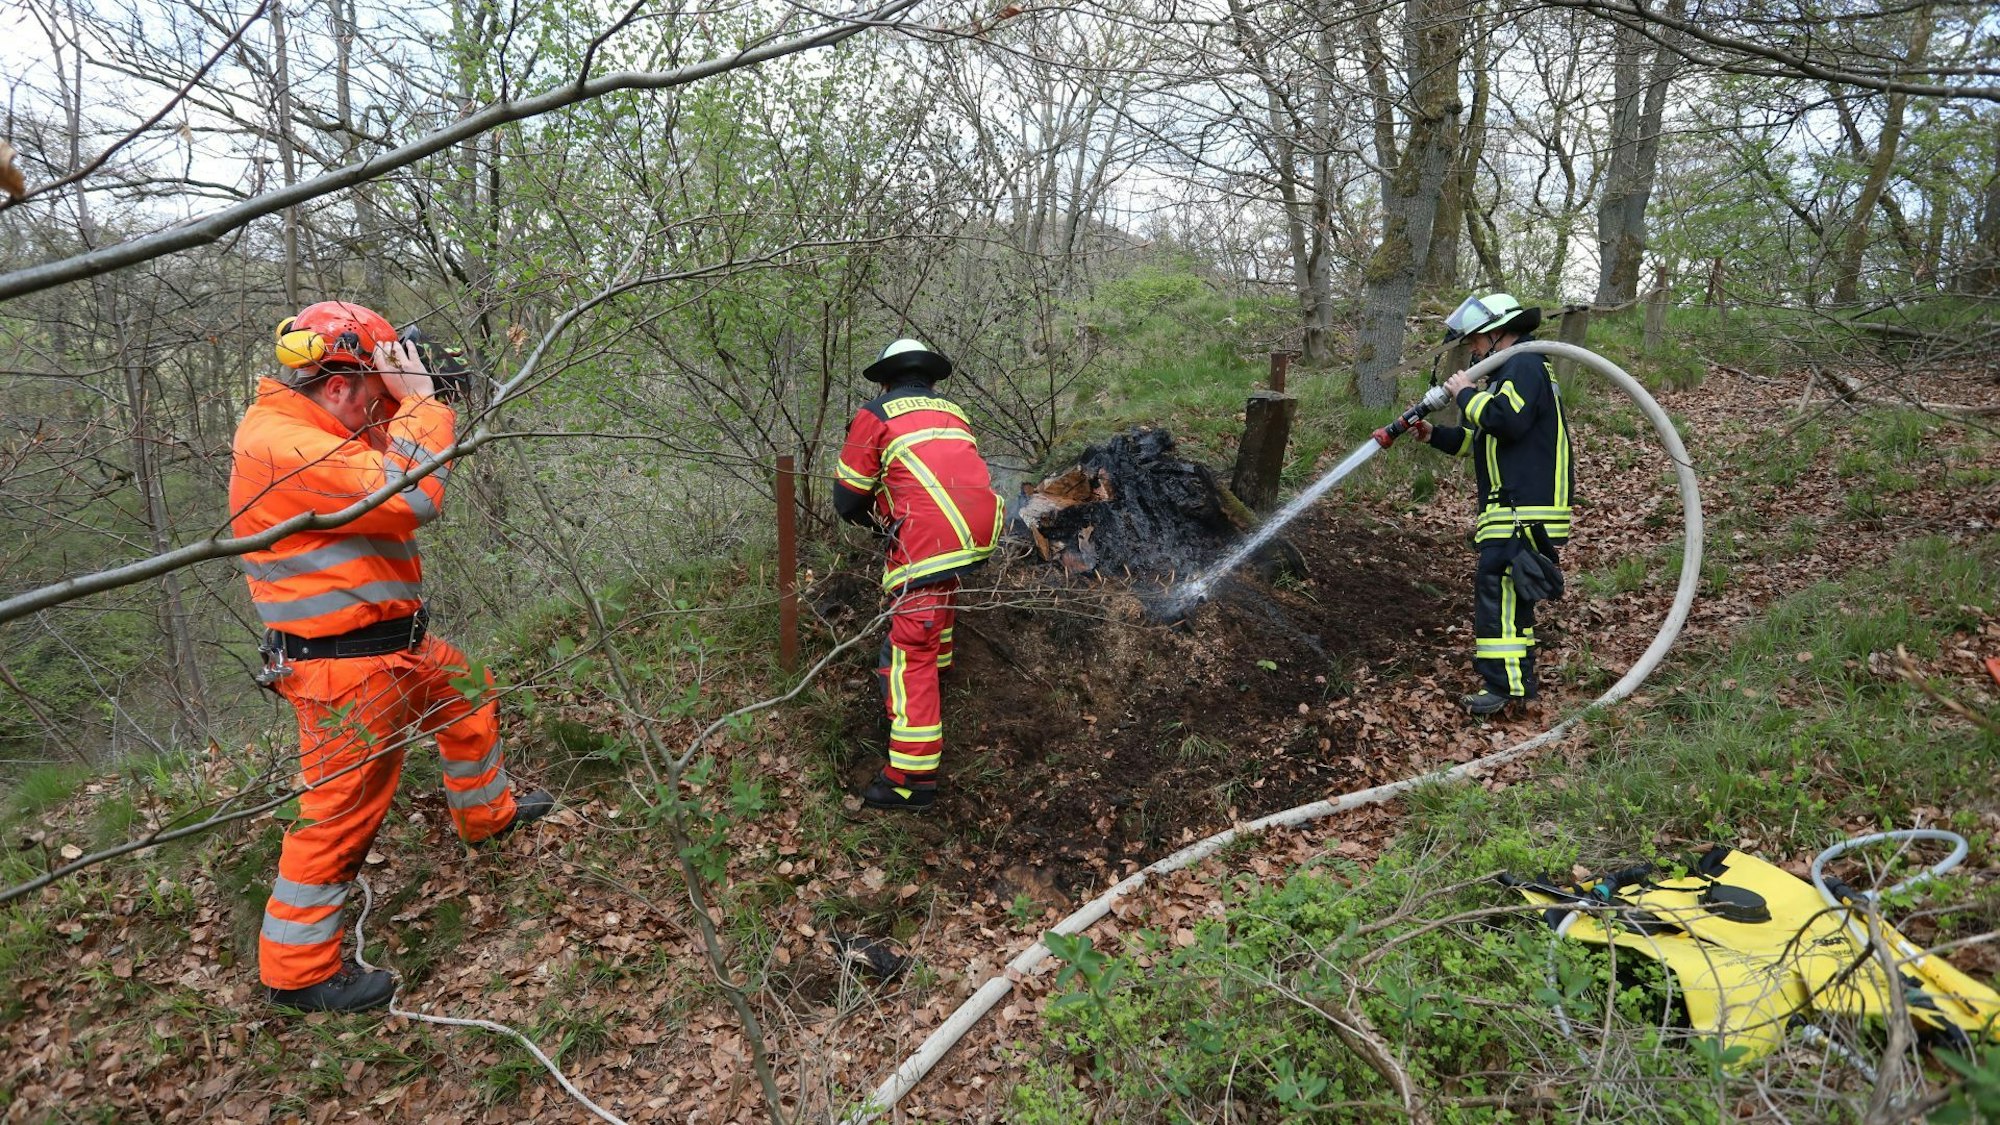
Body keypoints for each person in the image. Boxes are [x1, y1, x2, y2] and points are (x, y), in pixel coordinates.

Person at [230, 300, 553, 1012]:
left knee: (468, 690)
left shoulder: (317, 421)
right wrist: (421, 407)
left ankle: (485, 813)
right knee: (341, 813)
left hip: (393, 647)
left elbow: (383, 444)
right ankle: (297, 971)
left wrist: (427, 392)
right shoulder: (280, 444)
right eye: (374, 391)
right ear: (341, 386)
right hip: (342, 668)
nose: (383, 406)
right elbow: (412, 491)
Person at [834, 339, 1004, 812]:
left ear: (885, 379)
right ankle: (941, 665)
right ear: (929, 380)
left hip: (924, 544)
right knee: (938, 602)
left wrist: (883, 522)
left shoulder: (876, 414)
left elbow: (848, 499)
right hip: (973, 535)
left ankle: (911, 780)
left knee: (908, 656)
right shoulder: (955, 413)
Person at [1407, 293, 1574, 716]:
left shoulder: (1524, 363)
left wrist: (1464, 394)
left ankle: (1506, 689)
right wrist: (1434, 434)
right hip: (1512, 508)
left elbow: (1506, 421)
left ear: (1498, 332)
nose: (1472, 350)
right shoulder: (1508, 376)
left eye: (1475, 342)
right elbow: (1480, 439)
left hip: (1523, 509)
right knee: (1506, 595)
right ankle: (1512, 684)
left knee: (1497, 592)